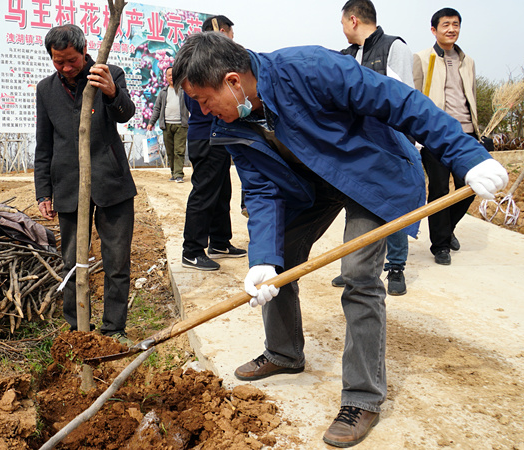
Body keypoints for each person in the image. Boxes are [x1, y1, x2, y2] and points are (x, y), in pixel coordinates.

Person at [172, 32, 507, 447]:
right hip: (307, 187)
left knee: (359, 274)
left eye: (205, 100)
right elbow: (260, 188)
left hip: (368, 174)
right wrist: (262, 258)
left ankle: (362, 398)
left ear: (234, 81)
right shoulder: (232, 118)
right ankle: (283, 352)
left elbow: (400, 102)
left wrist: (467, 153)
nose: (202, 111)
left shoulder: (310, 69)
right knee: (279, 265)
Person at [33, 24, 136, 341]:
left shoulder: (109, 74)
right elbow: (44, 145)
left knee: (116, 261)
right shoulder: (46, 90)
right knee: (72, 262)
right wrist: (43, 191)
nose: (65, 68)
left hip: (111, 183)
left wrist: (111, 92)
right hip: (68, 186)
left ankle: (114, 328)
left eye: (71, 61)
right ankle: (78, 329)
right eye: (57, 61)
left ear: (84, 51)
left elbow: (125, 113)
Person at [331, 0, 416, 296]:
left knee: (391, 206)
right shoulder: (347, 56)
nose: (342, 30)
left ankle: (395, 266)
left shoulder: (394, 47)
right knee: (355, 202)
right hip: (358, 142)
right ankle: (354, 263)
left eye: (342, 23)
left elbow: (404, 97)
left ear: (353, 20)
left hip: (390, 141)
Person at [413, 8, 478, 266]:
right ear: (434, 30)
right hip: (436, 135)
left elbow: (469, 95)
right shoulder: (421, 58)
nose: (451, 29)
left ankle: (446, 228)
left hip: (466, 134)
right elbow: (414, 96)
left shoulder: (468, 60)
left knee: (469, 187)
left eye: (456, 24)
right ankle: (440, 245)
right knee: (439, 189)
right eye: (446, 25)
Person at [181, 15, 246, 271]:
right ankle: (192, 250)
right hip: (206, 135)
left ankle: (219, 241)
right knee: (205, 192)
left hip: (218, 135)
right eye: (230, 34)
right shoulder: (200, 65)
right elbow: (195, 102)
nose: (232, 40)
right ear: (220, 33)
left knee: (221, 190)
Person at [147, 67, 188, 182]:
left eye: (174, 74)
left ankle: (179, 174)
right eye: (169, 75)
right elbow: (157, 109)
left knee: (179, 151)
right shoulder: (163, 92)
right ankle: (174, 173)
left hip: (181, 125)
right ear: (166, 77)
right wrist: (151, 123)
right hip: (167, 126)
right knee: (170, 151)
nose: (172, 77)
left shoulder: (184, 91)